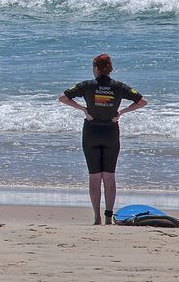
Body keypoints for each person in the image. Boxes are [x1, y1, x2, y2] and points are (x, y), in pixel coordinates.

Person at [59, 54, 147, 225]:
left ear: (96, 68)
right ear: (110, 68)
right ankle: (108, 217)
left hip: (91, 132)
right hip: (111, 133)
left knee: (94, 177)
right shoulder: (119, 87)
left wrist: (83, 109)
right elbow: (142, 101)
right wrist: (121, 113)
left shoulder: (87, 85)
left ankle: (96, 218)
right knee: (109, 176)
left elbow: (63, 97)